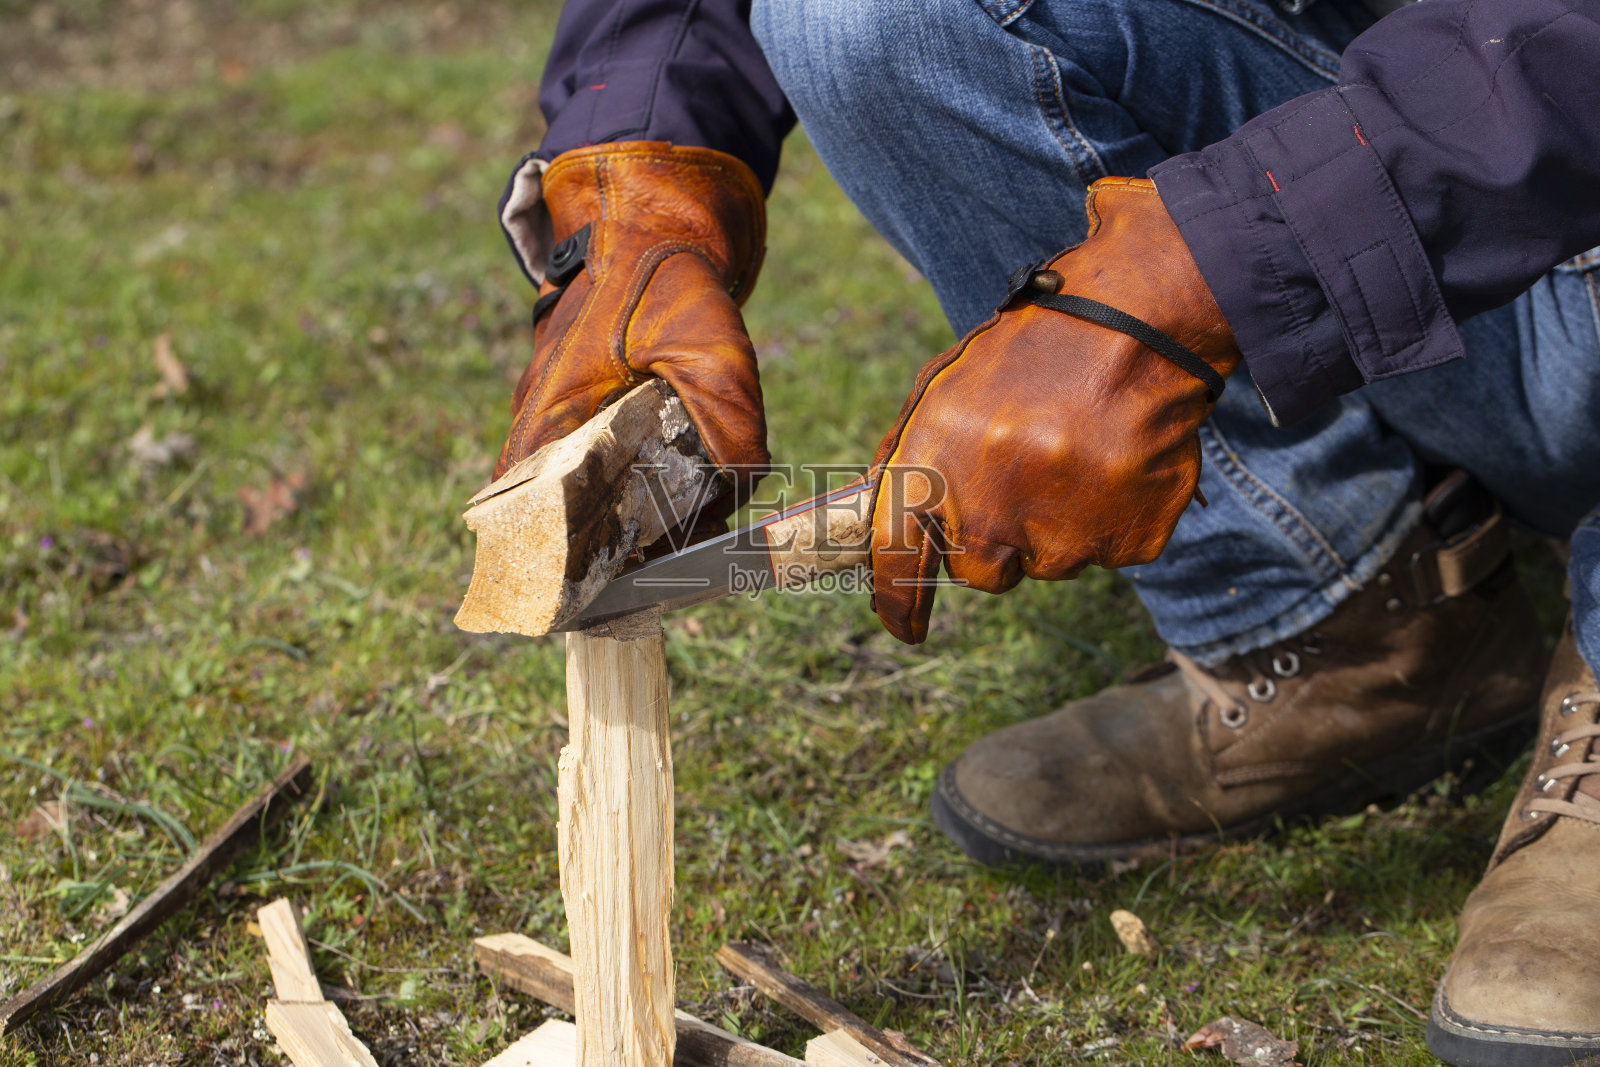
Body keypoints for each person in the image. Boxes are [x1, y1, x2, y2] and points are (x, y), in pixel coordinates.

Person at [491, 2, 1600, 1063]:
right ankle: (1343, 622)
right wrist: (641, 165)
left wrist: (1191, 268)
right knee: (868, 16)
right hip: (1463, 238)